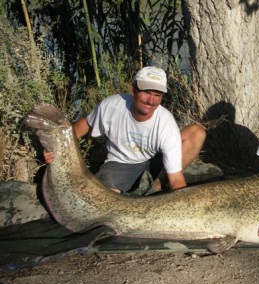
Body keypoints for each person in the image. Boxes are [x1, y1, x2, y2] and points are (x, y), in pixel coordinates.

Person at [44, 66, 206, 194]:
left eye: (157, 95)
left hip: (155, 159)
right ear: (133, 90)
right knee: (105, 198)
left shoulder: (165, 121)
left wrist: (183, 201)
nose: (151, 100)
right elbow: (82, 127)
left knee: (197, 132)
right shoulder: (112, 105)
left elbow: (176, 177)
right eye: (146, 92)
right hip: (121, 163)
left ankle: (155, 188)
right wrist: (56, 147)